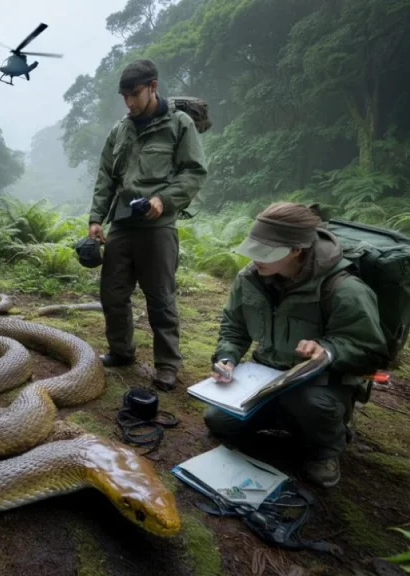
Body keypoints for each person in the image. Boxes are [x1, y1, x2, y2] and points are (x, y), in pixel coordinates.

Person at [206, 202, 390, 487]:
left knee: (307, 400)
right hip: (265, 379)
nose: (255, 259)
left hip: (318, 385)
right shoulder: (250, 279)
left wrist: (327, 350)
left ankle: (325, 450)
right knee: (217, 421)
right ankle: (288, 421)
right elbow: (234, 327)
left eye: (265, 253)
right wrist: (227, 358)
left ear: (296, 251)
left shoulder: (344, 290)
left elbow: (371, 351)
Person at [88, 58, 208, 391]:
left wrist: (164, 200)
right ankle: (121, 351)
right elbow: (105, 178)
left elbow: (194, 172)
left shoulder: (179, 124)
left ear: (153, 87)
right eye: (124, 95)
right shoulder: (120, 130)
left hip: (158, 228)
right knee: (112, 294)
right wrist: (96, 219)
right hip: (123, 225)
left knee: (160, 299)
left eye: (135, 94)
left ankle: (167, 365)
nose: (129, 102)